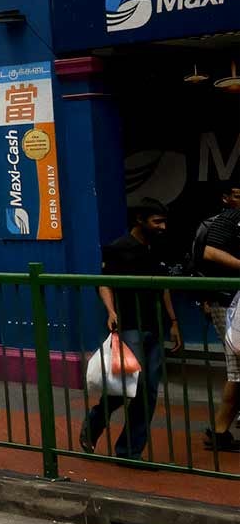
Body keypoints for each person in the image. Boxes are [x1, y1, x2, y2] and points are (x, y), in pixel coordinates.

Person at [79, 200, 183, 460]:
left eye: (163, 221)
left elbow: (164, 287)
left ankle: (129, 451)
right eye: (156, 221)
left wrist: (173, 322)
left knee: (147, 391)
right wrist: (111, 312)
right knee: (126, 386)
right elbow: (104, 284)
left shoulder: (159, 247)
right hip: (129, 325)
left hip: (155, 325)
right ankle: (95, 420)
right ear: (140, 220)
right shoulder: (118, 248)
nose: (162, 227)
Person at [191, 186, 240, 451]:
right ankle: (219, 431)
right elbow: (210, 253)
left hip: (232, 302)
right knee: (237, 367)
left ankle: (220, 432)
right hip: (229, 302)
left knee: (237, 370)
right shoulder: (229, 219)